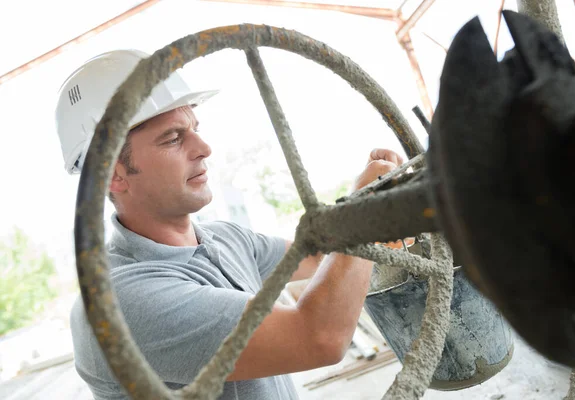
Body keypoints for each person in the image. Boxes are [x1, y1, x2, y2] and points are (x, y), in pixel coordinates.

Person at [55, 49, 403, 400]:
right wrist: (363, 210)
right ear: (111, 173)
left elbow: (317, 257)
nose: (204, 147)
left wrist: (376, 201)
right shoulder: (118, 306)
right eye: (173, 138)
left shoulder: (224, 238)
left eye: (195, 129)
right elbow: (319, 337)